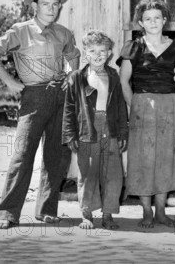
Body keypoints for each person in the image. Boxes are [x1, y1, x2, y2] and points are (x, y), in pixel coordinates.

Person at [0, 0, 80, 229]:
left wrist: (70, 76)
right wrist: (10, 82)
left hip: (61, 95)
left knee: (57, 155)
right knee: (23, 154)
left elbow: (73, 56)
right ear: (35, 6)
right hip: (34, 96)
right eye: (45, 4)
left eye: (55, 4)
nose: (51, 9)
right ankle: (6, 212)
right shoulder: (21, 31)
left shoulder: (63, 33)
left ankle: (47, 210)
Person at [118, 0, 175, 228]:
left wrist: (168, 104)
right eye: (148, 19)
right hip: (142, 105)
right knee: (144, 159)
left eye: (157, 17)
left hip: (169, 105)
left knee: (166, 158)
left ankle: (161, 212)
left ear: (164, 20)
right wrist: (134, 107)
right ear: (141, 22)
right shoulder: (134, 47)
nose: (153, 22)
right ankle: (146, 212)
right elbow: (123, 82)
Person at [62, 30, 128, 230]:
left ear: (109, 53)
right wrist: (70, 134)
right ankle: (87, 214)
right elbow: (69, 108)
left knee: (113, 173)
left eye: (103, 50)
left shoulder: (113, 76)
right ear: (85, 53)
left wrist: (123, 132)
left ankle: (107, 215)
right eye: (92, 50)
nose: (98, 55)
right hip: (87, 129)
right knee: (88, 173)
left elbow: (119, 106)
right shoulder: (77, 77)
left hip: (110, 127)